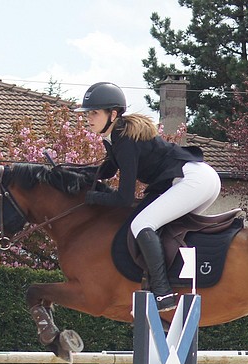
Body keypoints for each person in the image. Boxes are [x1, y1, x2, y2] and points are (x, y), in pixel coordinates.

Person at [75, 82, 221, 312]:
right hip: (199, 178)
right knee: (164, 228)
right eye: (88, 113)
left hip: (192, 180)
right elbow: (108, 171)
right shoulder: (116, 137)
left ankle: (163, 292)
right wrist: (74, 173)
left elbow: (124, 198)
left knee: (141, 224)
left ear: (113, 114)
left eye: (94, 113)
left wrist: (93, 198)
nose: (88, 118)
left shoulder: (125, 140)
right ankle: (173, 282)